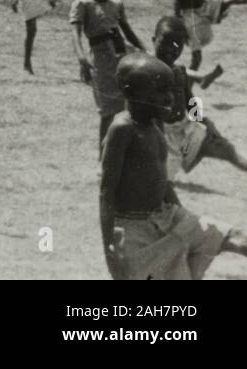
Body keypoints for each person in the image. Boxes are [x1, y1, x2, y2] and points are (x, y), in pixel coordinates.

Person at [100, 55, 247, 280]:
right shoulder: (122, 130)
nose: (170, 97)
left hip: (167, 216)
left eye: (171, 89)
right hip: (134, 231)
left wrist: (184, 220)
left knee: (235, 238)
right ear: (132, 92)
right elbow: (107, 193)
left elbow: (162, 180)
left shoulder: (156, 123)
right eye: (160, 90)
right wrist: (109, 247)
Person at [152, 16, 241, 178]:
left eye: (178, 45)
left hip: (185, 129)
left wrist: (203, 122)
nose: (172, 49)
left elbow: (190, 100)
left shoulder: (179, 70)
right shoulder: (146, 71)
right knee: (161, 182)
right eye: (166, 42)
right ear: (154, 40)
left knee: (224, 148)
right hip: (161, 136)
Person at [71, 0, 147, 148]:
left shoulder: (117, 4)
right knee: (107, 110)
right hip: (101, 59)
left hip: (122, 55)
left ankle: (125, 152)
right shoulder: (83, 5)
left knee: (128, 105)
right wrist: (81, 58)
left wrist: (143, 50)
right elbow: (76, 34)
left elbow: (128, 32)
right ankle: (103, 154)